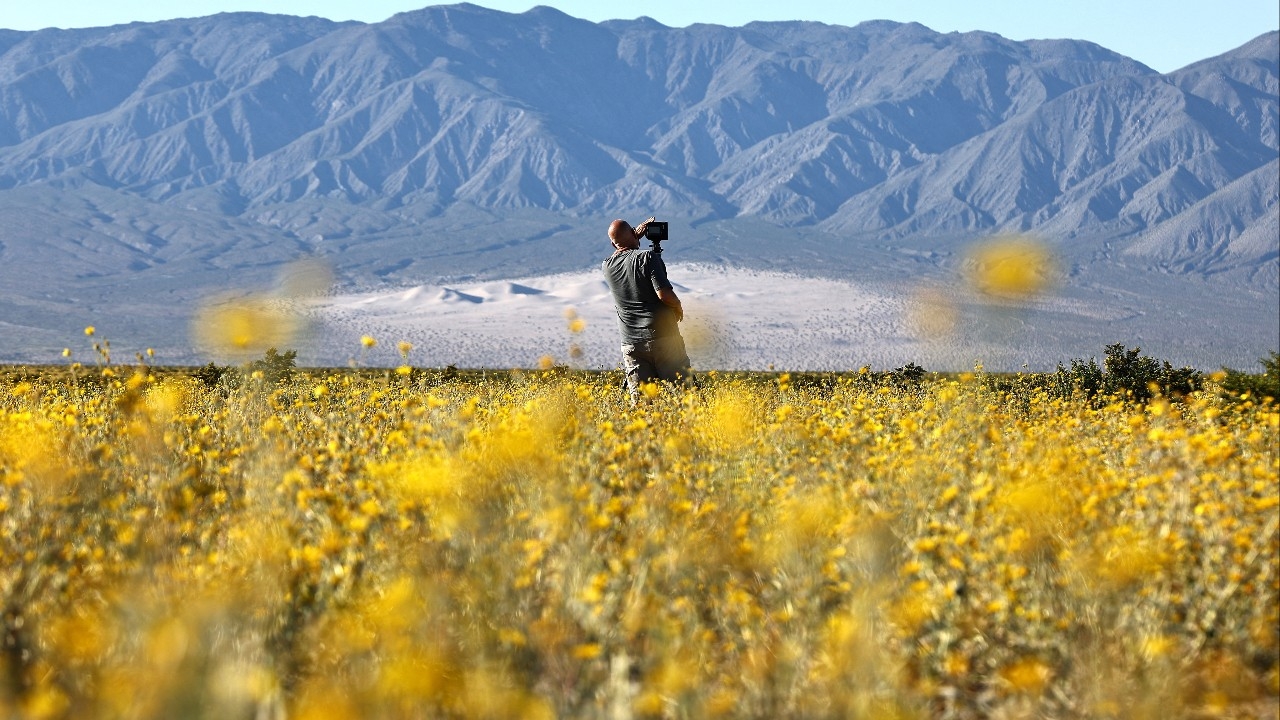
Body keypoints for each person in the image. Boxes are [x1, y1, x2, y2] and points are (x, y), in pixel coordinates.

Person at [601, 217, 692, 399]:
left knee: (642, 402)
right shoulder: (648, 257)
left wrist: (631, 237)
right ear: (635, 233)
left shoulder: (607, 266)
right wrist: (678, 306)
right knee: (683, 397)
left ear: (613, 244)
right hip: (662, 336)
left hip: (631, 342)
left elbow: (619, 251)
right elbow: (664, 294)